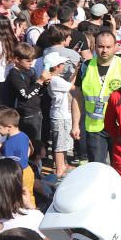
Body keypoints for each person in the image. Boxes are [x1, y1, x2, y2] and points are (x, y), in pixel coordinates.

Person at [76, 31, 121, 164]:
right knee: (97, 168)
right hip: (95, 127)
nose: (104, 51)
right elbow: (77, 97)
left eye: (108, 47)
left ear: (115, 46)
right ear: (94, 46)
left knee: (120, 168)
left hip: (118, 126)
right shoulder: (86, 66)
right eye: (101, 46)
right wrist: (75, 124)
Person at [45, 51, 78, 179]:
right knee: (59, 143)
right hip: (60, 115)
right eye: (62, 64)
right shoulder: (55, 80)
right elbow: (73, 87)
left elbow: (70, 84)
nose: (64, 65)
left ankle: (64, 163)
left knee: (63, 141)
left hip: (62, 114)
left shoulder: (54, 79)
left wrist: (76, 71)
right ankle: (59, 167)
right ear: (57, 66)